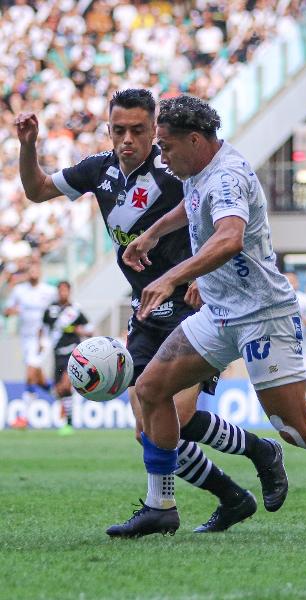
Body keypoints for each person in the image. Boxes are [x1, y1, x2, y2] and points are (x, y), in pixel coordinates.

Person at [122, 95, 306, 540]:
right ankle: (160, 505)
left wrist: (172, 278)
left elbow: (229, 239)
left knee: (297, 429)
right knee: (150, 390)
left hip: (263, 315)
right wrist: (150, 234)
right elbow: (192, 205)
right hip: (220, 313)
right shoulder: (199, 169)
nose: (160, 154)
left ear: (196, 139)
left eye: (165, 145)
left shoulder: (225, 178)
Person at [14, 89, 287, 535]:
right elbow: (37, 189)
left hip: (196, 306)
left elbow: (216, 218)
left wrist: (202, 276)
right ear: (108, 129)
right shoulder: (98, 170)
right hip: (146, 308)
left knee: (172, 418)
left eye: (138, 131)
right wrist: (29, 146)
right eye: (118, 130)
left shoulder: (176, 167)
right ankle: (233, 495)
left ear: (154, 130)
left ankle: (253, 456)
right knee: (149, 430)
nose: (127, 140)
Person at [3, 262, 56, 428]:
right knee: (37, 378)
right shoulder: (20, 291)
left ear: (40, 272)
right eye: (31, 270)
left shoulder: (49, 291)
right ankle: (60, 396)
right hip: (26, 339)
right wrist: (13, 311)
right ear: (28, 272)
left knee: (30, 371)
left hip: (43, 339)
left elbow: (57, 310)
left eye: (36, 270)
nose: (33, 272)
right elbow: (6, 310)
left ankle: (23, 417)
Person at [41, 280, 92, 435]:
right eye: (61, 290)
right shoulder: (50, 309)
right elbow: (43, 329)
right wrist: (41, 343)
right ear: (58, 291)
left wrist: (79, 330)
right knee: (59, 390)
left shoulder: (75, 310)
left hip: (73, 352)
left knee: (65, 384)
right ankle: (68, 421)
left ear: (69, 291)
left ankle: (69, 422)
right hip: (57, 352)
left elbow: (89, 329)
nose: (63, 293)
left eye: (66, 290)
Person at [284, 272, 306, 403]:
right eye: (286, 281)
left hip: (304, 352)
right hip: (282, 351)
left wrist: (299, 316)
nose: (290, 284)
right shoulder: (275, 300)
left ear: (297, 282)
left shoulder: (305, 300)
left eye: (292, 281)